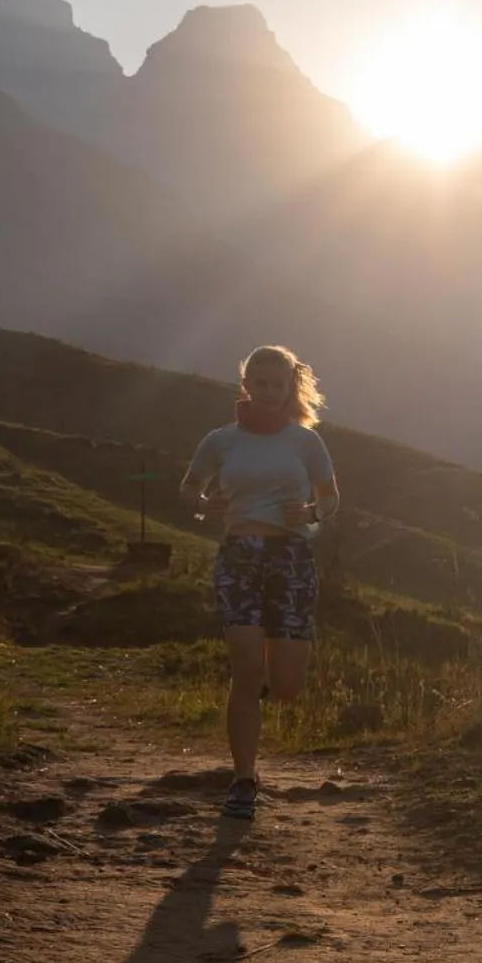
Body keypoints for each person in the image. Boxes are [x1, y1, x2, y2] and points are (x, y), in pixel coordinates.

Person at [180, 345, 340, 820]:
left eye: (278, 384)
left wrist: (310, 513)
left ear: (290, 388)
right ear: (246, 384)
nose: (269, 392)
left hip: (291, 559)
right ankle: (244, 780)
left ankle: (264, 687)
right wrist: (203, 504)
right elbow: (189, 487)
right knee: (246, 671)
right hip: (239, 558)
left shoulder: (306, 442)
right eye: (261, 383)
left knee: (286, 685)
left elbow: (331, 499)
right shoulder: (221, 440)